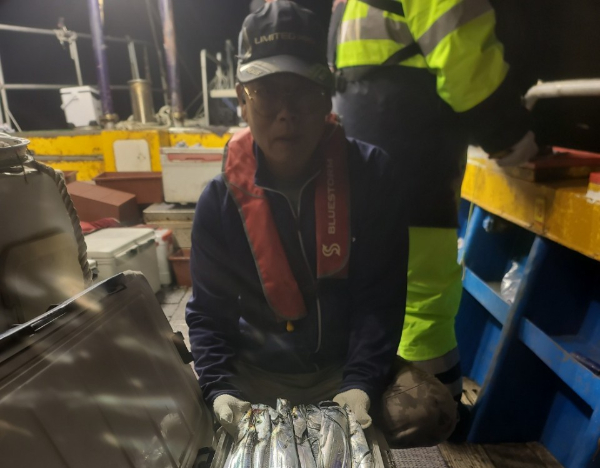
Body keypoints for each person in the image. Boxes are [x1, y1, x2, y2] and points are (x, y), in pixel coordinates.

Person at [186, 1, 443, 439]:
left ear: (326, 97)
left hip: (342, 368)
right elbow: (209, 315)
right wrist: (220, 390)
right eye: (267, 92)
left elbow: (380, 301)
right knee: (175, 415)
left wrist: (360, 383)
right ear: (242, 101)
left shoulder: (373, 175)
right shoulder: (219, 201)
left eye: (302, 91)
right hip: (255, 372)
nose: (286, 112)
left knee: (427, 411)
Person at [329, 0, 538, 445]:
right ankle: (429, 435)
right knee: (424, 304)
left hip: (364, 170)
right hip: (415, 171)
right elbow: (464, 56)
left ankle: (378, 419)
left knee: (377, 297)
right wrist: (512, 137)